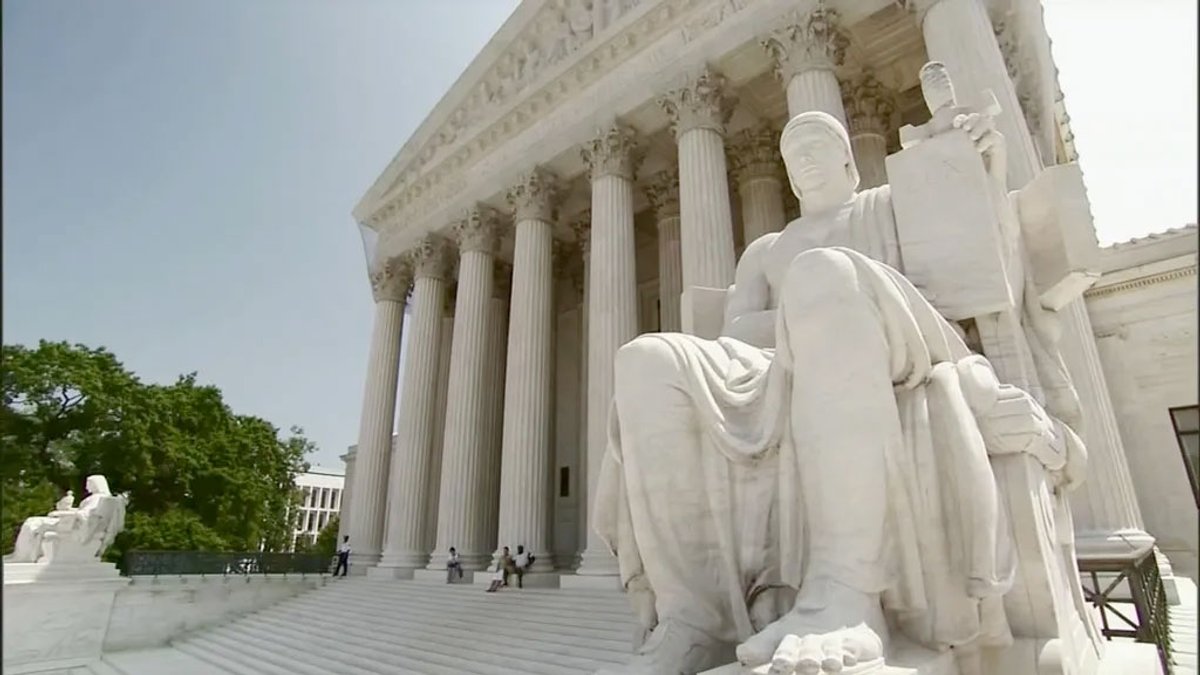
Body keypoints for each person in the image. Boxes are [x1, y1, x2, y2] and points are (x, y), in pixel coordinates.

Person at [591, 104, 1086, 674]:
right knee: (645, 358)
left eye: (817, 146)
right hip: (785, 363)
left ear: (850, 162)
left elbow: (991, 255)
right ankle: (696, 616)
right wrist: (795, 326)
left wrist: (985, 167)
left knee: (824, 274)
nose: (804, 158)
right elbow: (736, 335)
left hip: (902, 343)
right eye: (793, 152)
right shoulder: (768, 250)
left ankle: (846, 593)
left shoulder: (891, 208)